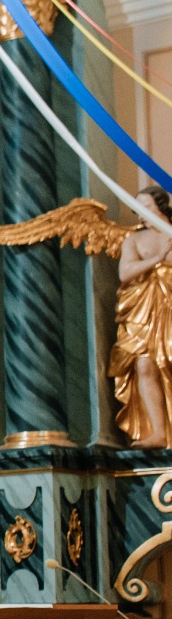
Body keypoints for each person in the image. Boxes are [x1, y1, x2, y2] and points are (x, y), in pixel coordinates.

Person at [115, 184, 172, 447]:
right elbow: (125, 273)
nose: (140, 214)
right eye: (136, 209)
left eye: (145, 207)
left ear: (160, 207)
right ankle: (159, 432)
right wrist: (158, 258)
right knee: (144, 365)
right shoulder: (134, 240)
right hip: (147, 310)